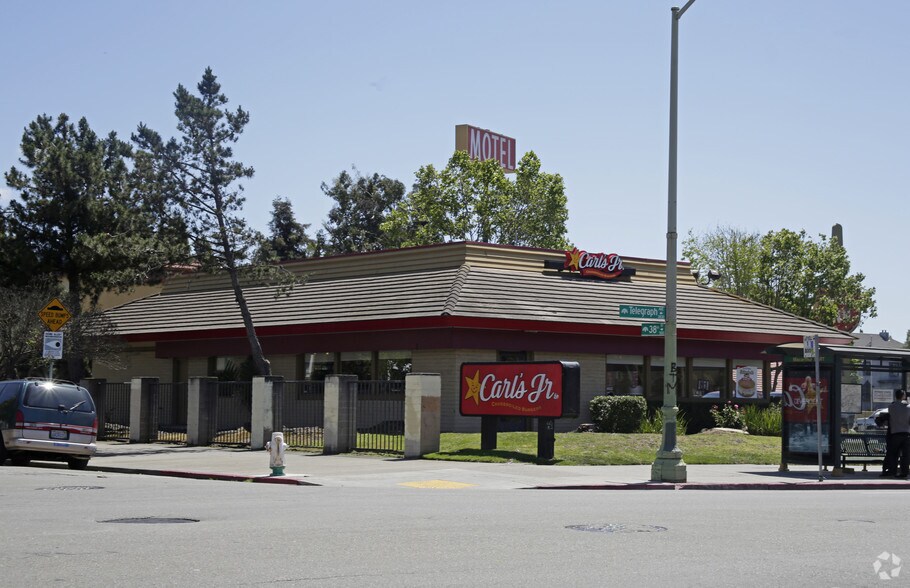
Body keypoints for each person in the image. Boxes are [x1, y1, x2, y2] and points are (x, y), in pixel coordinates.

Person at [883, 389, 910, 479]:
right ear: (904, 396)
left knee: (894, 454)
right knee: (905, 455)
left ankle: (892, 471)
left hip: (895, 433)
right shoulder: (908, 407)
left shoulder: (891, 406)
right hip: (906, 433)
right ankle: (904, 472)